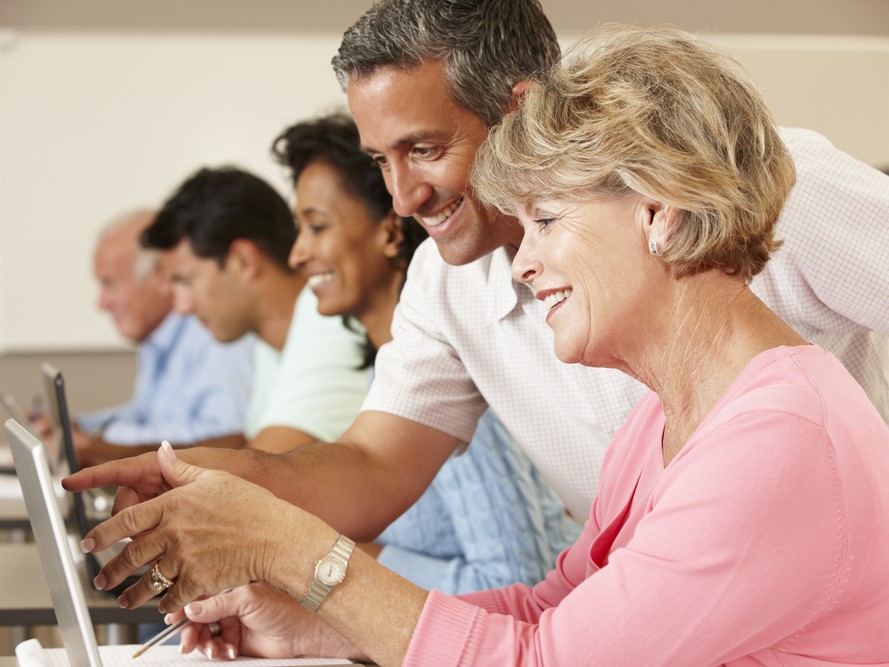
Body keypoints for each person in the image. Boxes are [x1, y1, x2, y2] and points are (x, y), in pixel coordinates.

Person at [80, 26, 889, 665]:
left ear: (658, 212)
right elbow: (547, 609)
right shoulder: (658, 422)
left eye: (545, 220)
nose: (524, 260)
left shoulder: (776, 427)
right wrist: (324, 625)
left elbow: (546, 658)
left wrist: (298, 555)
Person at [274, 112, 579, 593]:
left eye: (316, 227)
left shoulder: (452, 372)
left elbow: (516, 575)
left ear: (391, 233)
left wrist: (342, 562)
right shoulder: (391, 378)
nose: (297, 255)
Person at [142, 166, 370, 452]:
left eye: (187, 281)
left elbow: (259, 470)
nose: (181, 307)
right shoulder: (269, 343)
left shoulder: (328, 319)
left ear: (244, 260)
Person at [68, 209, 254, 466]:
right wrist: (79, 427)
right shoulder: (157, 338)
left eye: (110, 283)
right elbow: (144, 415)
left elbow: (226, 437)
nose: (101, 303)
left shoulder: (213, 333)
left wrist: (101, 445)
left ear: (160, 276)